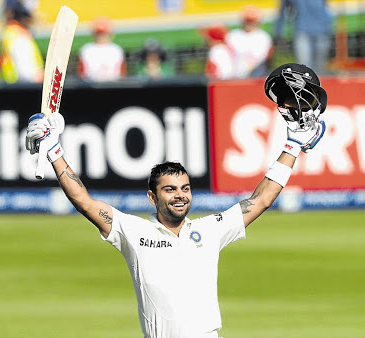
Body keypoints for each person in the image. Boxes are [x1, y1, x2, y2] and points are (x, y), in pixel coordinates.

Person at [25, 63, 327, 337]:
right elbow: (85, 202)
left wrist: (294, 145)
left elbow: (259, 201)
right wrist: (54, 151)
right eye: (170, 190)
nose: (180, 195)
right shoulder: (134, 232)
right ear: (152, 197)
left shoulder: (210, 230)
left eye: (184, 188)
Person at [277, 0, 332, 75]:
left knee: (321, 68)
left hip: (322, 31)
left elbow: (325, 6)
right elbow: (282, 11)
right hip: (302, 31)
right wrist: (279, 31)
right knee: (304, 68)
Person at [0, 0, 44, 83]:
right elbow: (26, 73)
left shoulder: (11, 34)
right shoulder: (19, 36)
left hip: (12, 86)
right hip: (23, 87)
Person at [226, 5, 273, 78]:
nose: (249, 23)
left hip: (257, 78)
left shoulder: (263, 37)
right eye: (247, 20)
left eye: (252, 20)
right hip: (235, 77)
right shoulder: (232, 36)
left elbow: (261, 59)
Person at [77, 16, 127, 82]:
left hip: (113, 85)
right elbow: (81, 72)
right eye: (99, 34)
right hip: (91, 85)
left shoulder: (116, 49)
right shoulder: (86, 50)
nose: (101, 36)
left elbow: (122, 72)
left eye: (103, 34)